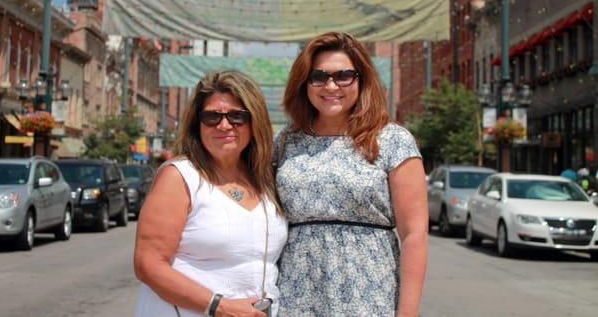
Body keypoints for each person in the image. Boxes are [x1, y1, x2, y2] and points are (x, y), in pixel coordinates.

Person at [274, 32, 428, 316]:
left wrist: (407, 313)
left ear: (361, 79)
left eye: (343, 75)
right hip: (297, 294)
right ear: (304, 84)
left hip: (369, 293)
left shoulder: (393, 140)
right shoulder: (285, 141)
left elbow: (414, 235)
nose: (331, 85)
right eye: (318, 76)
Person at [134, 71, 288, 317]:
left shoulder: (266, 180)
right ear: (197, 123)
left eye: (237, 116)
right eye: (212, 117)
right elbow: (148, 265)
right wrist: (219, 306)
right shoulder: (180, 177)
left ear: (254, 122)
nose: (224, 125)